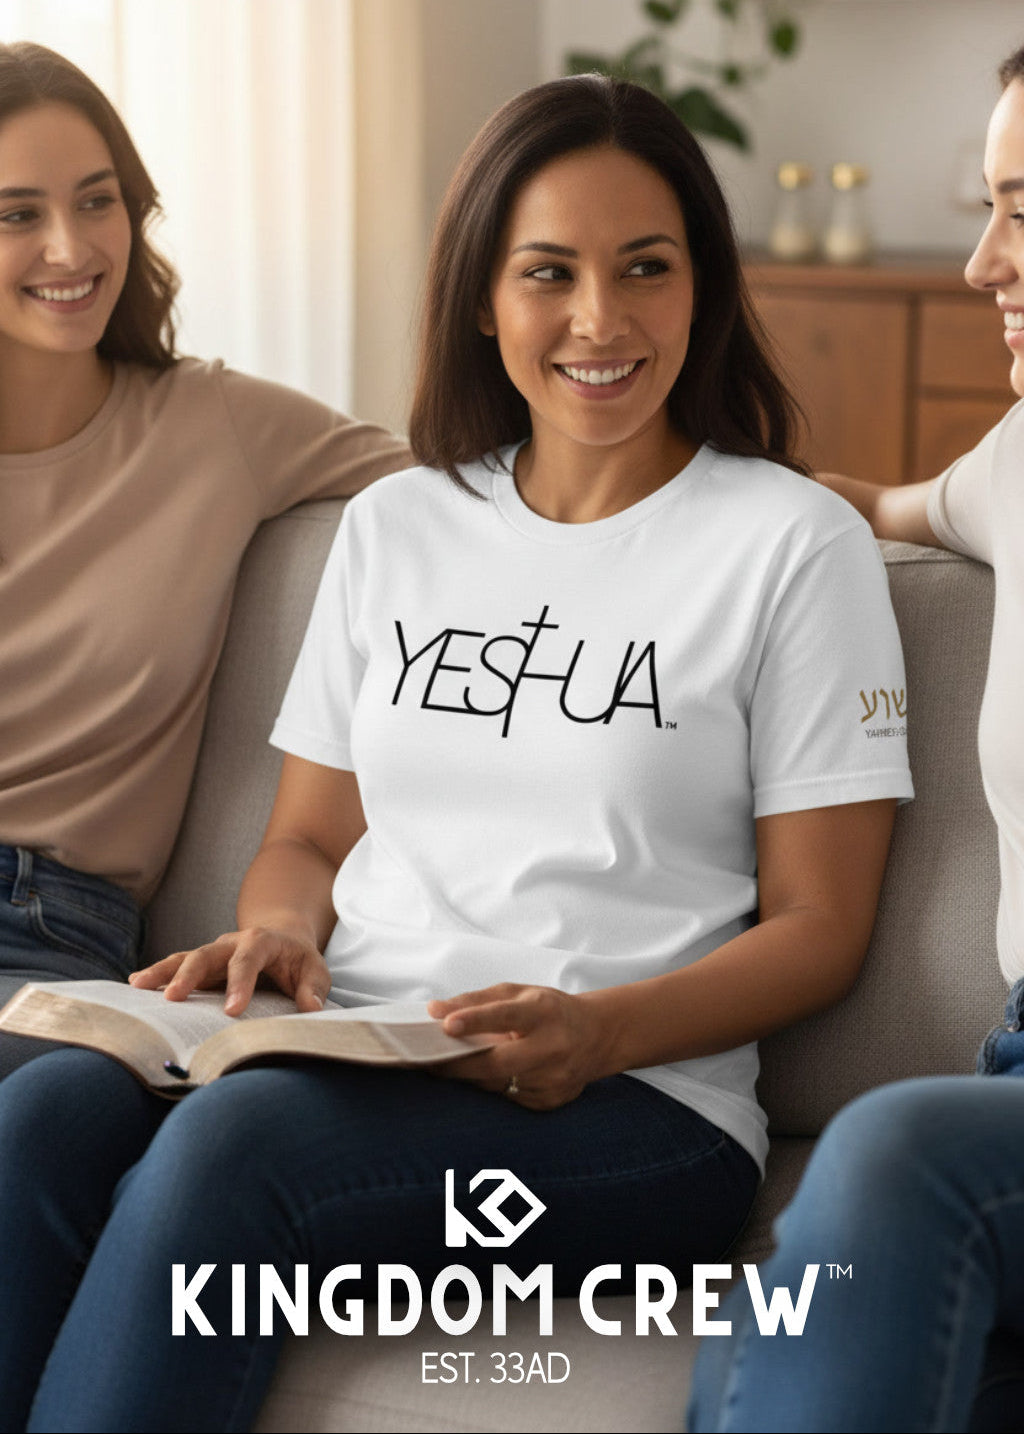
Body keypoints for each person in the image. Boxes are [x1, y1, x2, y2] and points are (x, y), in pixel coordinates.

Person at [0, 73, 912, 1432]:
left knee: (232, 1154)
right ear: (484, 299)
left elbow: (823, 928)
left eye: (644, 268)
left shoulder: (792, 547)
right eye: (549, 273)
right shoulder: (399, 528)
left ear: (702, 289)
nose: (601, 318)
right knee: (44, 1117)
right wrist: (274, 939)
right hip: (357, 1045)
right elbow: (305, 839)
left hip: (635, 1108)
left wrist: (601, 1030)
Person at [689, 41, 1024, 1434]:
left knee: (895, 1151)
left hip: (964, 1139)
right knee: (757, 1346)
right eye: (992, 206)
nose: (982, 261)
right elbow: (863, 506)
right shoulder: (1017, 461)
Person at [0, 40, 412, 1079]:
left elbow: (525, 479)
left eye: (98, 202)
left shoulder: (214, 426)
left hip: (45, 942)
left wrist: (872, 500)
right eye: (17, 215)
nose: (70, 247)